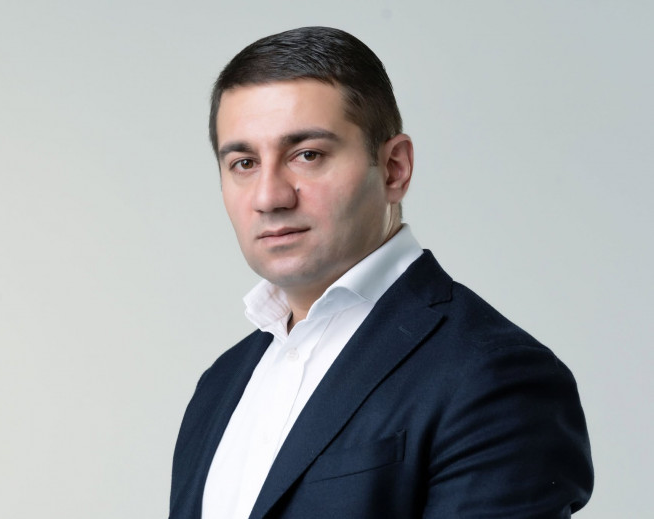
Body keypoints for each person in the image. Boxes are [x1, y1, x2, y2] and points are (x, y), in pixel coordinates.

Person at [170, 26, 593, 519]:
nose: (269, 197)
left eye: (307, 155)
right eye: (244, 163)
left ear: (394, 168)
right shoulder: (219, 385)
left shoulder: (495, 377)